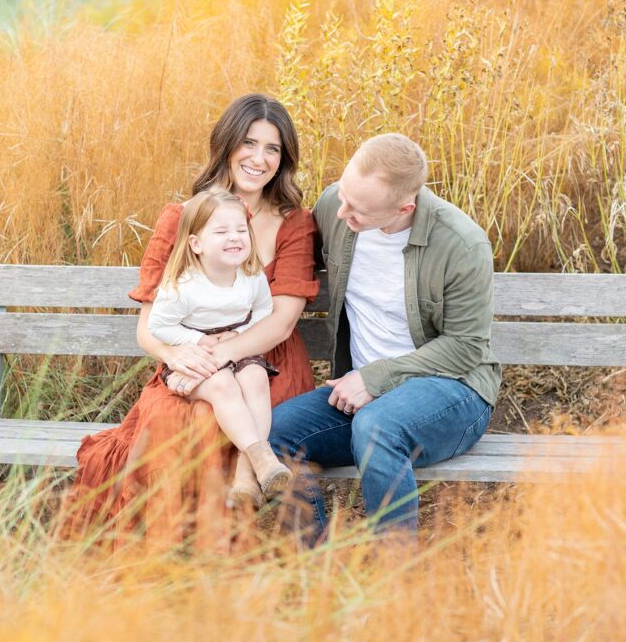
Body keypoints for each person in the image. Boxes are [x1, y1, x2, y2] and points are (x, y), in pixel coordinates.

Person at [61, 94, 318, 548]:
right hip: (191, 359)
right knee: (180, 414)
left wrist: (216, 354)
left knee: (221, 408)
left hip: (266, 361)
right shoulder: (182, 219)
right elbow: (149, 327)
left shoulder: (294, 223)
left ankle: (235, 534)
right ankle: (168, 554)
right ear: (226, 144)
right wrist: (179, 355)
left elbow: (278, 324)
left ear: (284, 159)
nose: (259, 159)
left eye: (272, 149)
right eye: (249, 143)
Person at [270, 132, 501, 540]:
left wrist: (376, 378)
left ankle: (394, 588)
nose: (341, 214)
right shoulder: (334, 207)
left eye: (357, 211)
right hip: (360, 394)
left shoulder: (461, 245)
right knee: (275, 432)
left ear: (404, 207)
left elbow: (466, 348)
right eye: (341, 196)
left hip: (454, 393)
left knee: (378, 427)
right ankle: (314, 569)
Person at [148, 188, 291, 504]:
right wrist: (199, 340)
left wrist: (238, 335)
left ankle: (248, 472)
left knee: (255, 379)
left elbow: (264, 312)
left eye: (241, 230)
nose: (235, 237)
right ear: (196, 244)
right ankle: (259, 457)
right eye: (222, 231)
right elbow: (158, 326)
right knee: (224, 386)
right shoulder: (183, 285)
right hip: (196, 357)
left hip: (236, 348)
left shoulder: (251, 276)